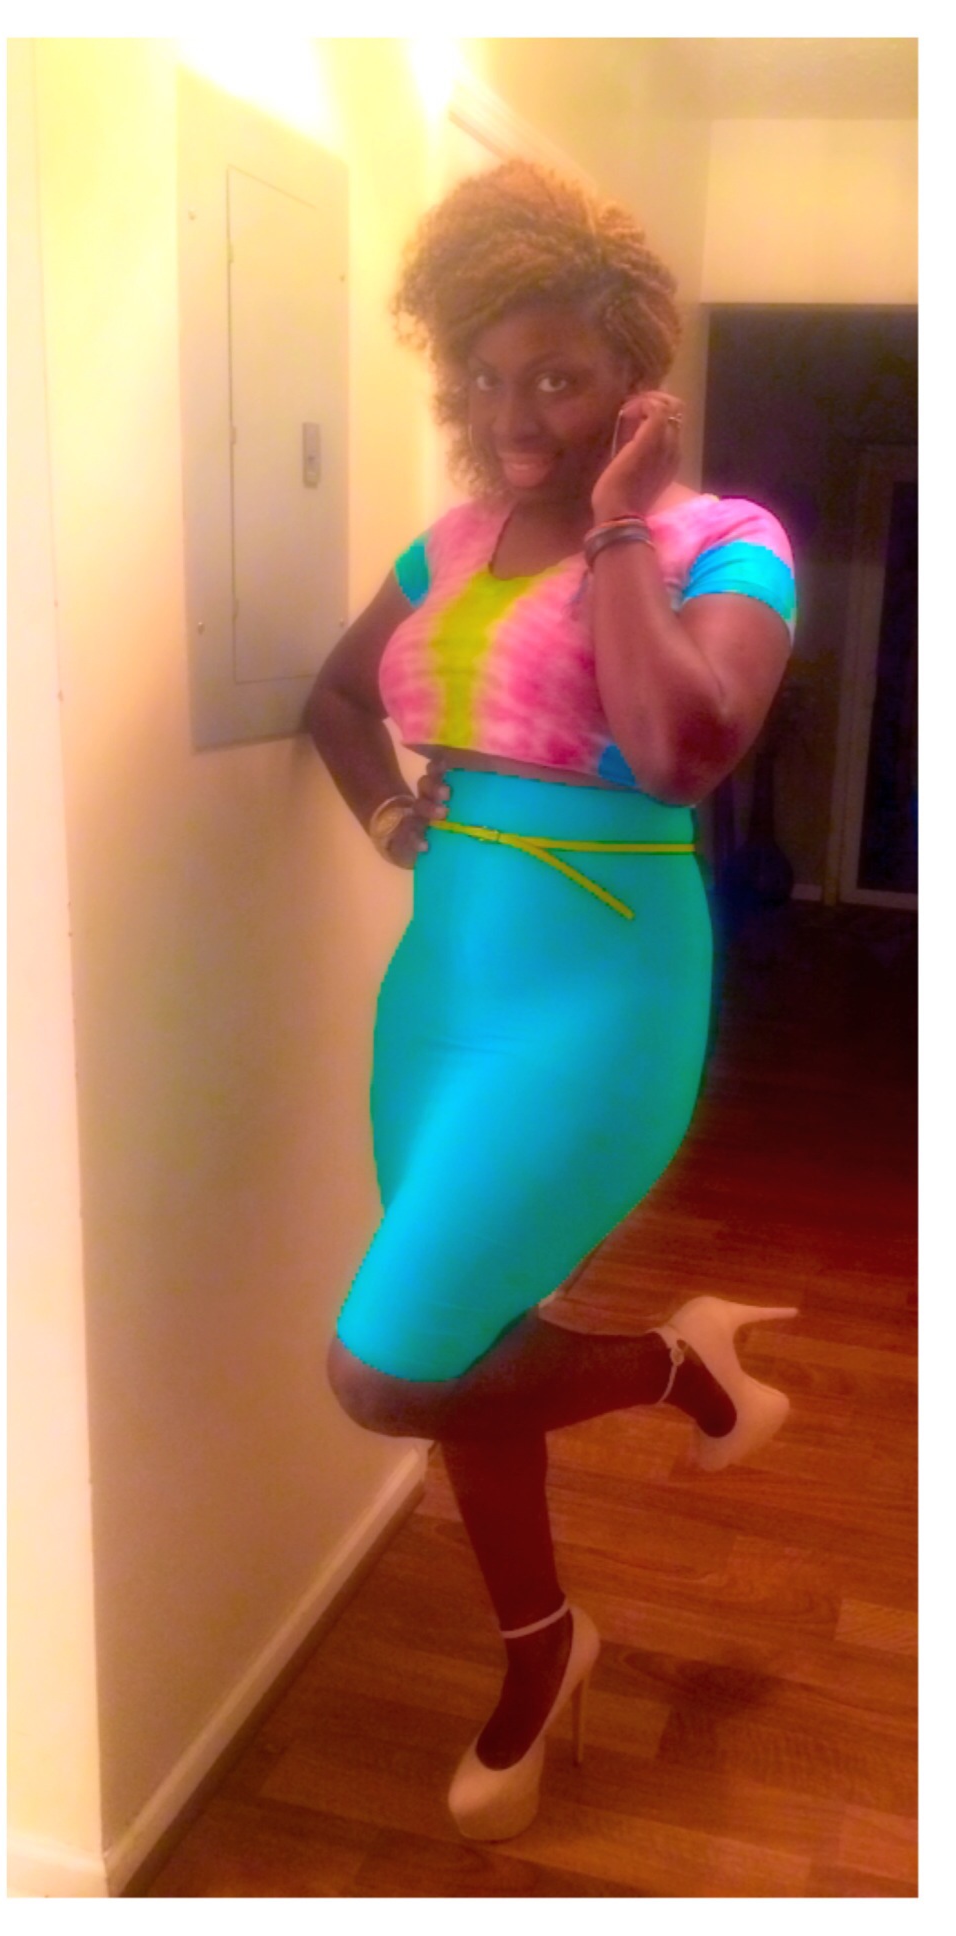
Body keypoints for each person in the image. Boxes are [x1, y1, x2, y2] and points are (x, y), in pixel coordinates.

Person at [305, 160, 798, 1843]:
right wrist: (394, 820)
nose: (515, 416)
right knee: (469, 1336)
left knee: (388, 1369)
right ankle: (540, 1649)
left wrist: (616, 528)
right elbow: (338, 695)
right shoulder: (446, 545)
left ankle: (678, 1366)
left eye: (560, 379)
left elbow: (680, 748)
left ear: (637, 381)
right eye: (487, 378)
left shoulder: (729, 545)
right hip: (439, 991)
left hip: (600, 994)